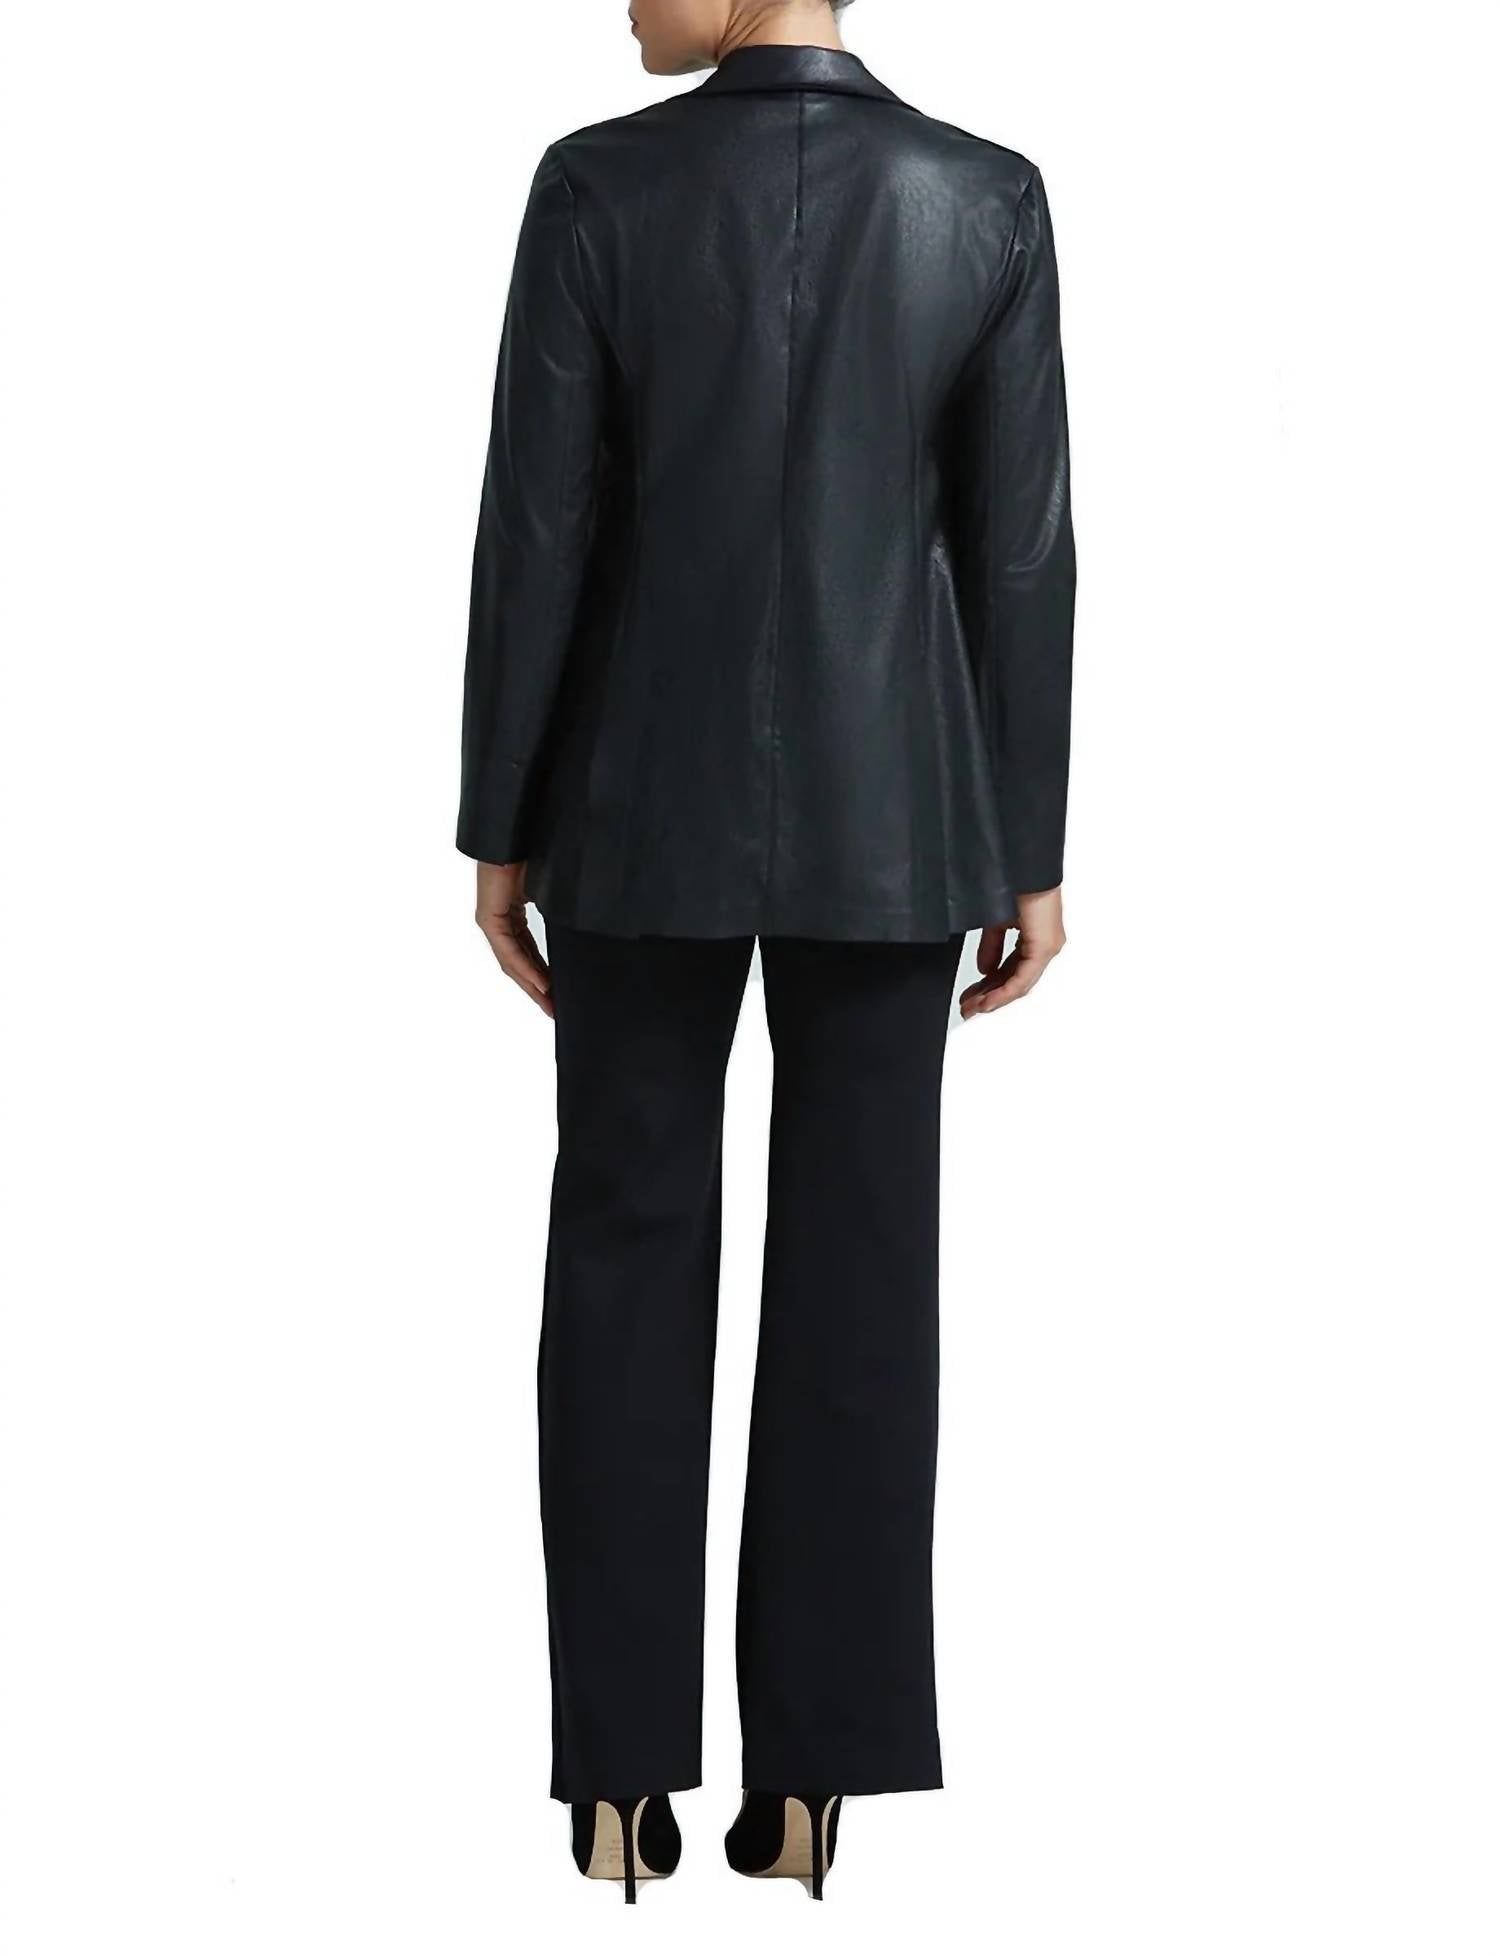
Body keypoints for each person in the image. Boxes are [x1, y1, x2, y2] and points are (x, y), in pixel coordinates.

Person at [457, 0, 1074, 1902]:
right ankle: (813, 1781)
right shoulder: (983, 199)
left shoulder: (598, 190)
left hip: (632, 809)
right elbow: (1023, 548)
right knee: (864, 1281)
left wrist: (498, 822)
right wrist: (1029, 848)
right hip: (904, 821)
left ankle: (616, 1786)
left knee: (624, 1269)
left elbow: (538, 525)